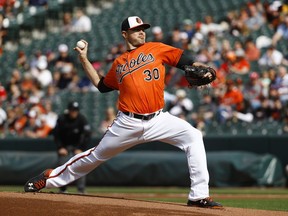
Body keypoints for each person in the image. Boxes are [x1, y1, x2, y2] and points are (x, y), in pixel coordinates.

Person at [24, 16, 223, 209]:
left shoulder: (157, 48)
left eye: (142, 29)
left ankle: (198, 196)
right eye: (136, 30)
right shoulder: (119, 64)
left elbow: (184, 60)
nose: (141, 33)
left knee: (194, 137)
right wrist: (84, 59)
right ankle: (49, 178)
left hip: (158, 119)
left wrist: (201, 67)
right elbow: (101, 86)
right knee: (95, 156)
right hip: (127, 123)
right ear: (124, 34)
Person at [52, 101, 91, 193]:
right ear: (68, 110)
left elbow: (87, 136)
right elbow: (56, 135)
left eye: (76, 110)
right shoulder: (61, 119)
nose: (74, 112)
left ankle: (81, 190)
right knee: (61, 166)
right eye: (72, 110)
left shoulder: (82, 119)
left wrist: (81, 148)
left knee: (81, 166)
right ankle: (63, 189)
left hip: (77, 147)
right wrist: (60, 147)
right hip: (64, 147)